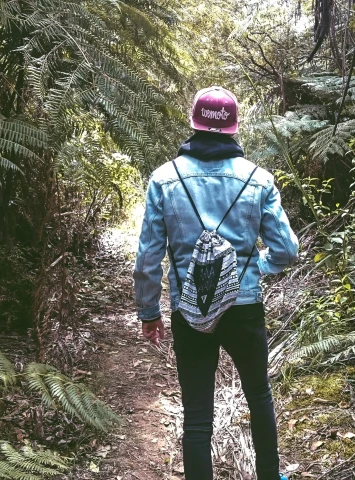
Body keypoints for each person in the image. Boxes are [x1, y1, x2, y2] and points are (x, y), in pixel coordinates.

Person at [133, 86, 299, 480]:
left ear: (194, 123)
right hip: (244, 304)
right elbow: (287, 251)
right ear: (232, 129)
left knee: (196, 416)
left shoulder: (164, 178)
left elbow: (148, 257)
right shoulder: (259, 180)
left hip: (189, 311)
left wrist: (149, 312)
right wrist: (256, 265)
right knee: (258, 395)